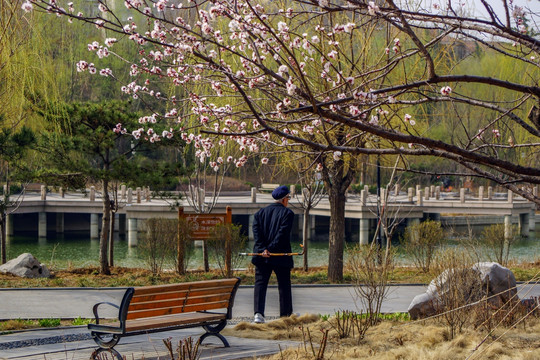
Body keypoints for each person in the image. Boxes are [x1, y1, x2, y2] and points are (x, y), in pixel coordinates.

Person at [251, 185, 295, 324]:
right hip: (280, 255)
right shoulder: (288, 214)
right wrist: (270, 249)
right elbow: (282, 234)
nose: (288, 200)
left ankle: (258, 314)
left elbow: (257, 235)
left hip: (261, 255)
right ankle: (285, 315)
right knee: (284, 285)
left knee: (260, 284)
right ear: (283, 199)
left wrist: (263, 249)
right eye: (288, 198)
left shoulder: (259, 213)